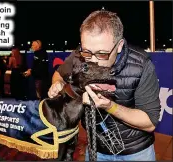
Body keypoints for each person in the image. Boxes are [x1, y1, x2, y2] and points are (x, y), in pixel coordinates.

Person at [48, 10, 161, 161]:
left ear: (119, 46)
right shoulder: (78, 56)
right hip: (96, 149)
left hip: (135, 153)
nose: (93, 61)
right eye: (87, 52)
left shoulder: (141, 65)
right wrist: (57, 83)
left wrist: (110, 106)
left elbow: (150, 123)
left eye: (102, 54)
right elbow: (59, 74)